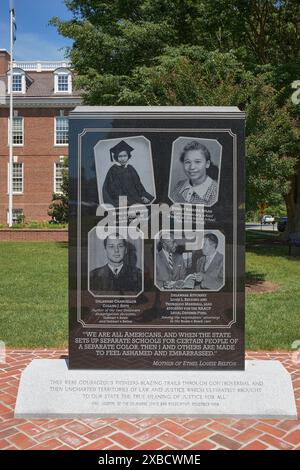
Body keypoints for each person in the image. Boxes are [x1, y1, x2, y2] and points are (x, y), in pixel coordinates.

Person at [102, 140, 154, 207]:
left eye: (125, 155)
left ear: (128, 156)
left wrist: (143, 196)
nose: (123, 159)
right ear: (116, 157)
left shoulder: (131, 168)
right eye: (120, 156)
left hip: (137, 199)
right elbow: (114, 190)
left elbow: (139, 186)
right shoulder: (113, 170)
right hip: (123, 201)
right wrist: (124, 202)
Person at [171, 140, 219, 206]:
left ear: (207, 164)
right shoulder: (179, 186)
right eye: (187, 162)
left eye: (197, 162)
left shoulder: (215, 192)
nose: (192, 167)